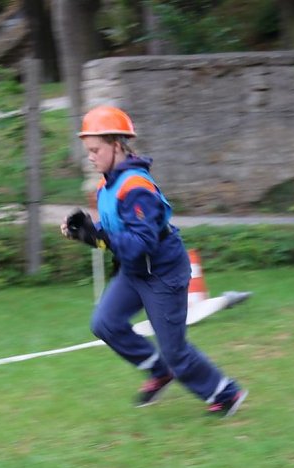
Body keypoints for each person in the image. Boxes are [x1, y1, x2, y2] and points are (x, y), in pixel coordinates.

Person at [61, 105, 248, 417]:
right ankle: (160, 372)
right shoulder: (107, 184)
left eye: (95, 150)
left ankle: (226, 393)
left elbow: (141, 242)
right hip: (135, 272)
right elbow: (117, 233)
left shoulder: (137, 187)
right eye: (88, 151)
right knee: (105, 324)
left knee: (176, 351)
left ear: (117, 146)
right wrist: (84, 233)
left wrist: (98, 236)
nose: (90, 157)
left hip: (163, 274)